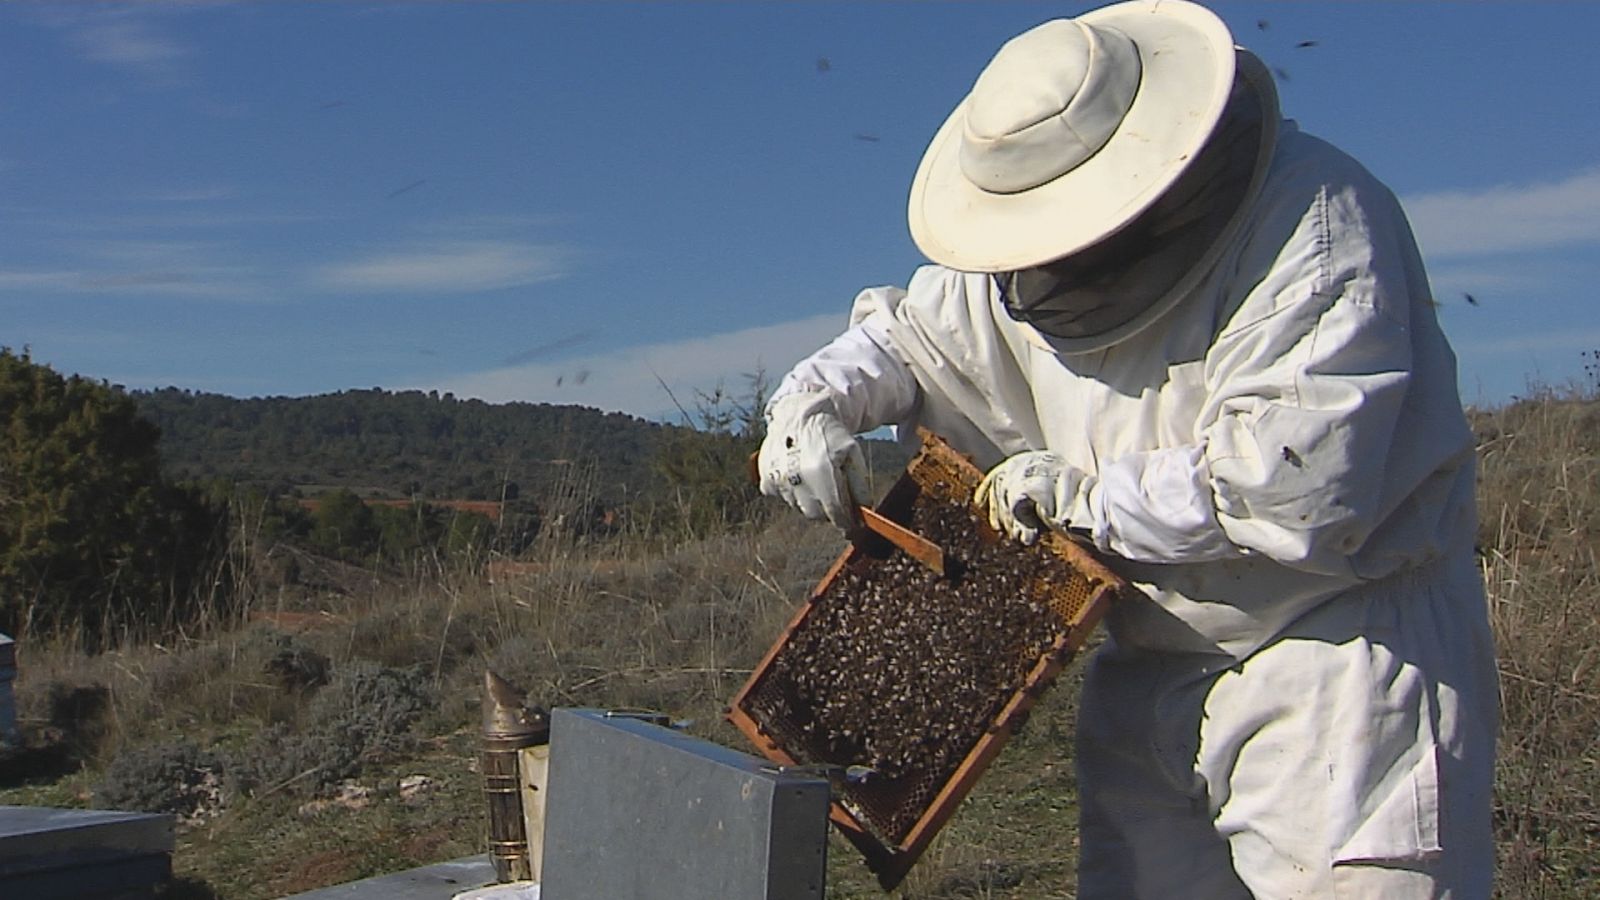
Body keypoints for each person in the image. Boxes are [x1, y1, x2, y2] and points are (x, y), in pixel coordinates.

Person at [755, 2, 1498, 897]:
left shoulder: (1314, 224)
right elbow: (911, 339)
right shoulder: (1024, 257)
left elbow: (1297, 485)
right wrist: (809, 404)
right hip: (1147, 660)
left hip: (1337, 660)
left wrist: (1082, 500)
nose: (1049, 270)